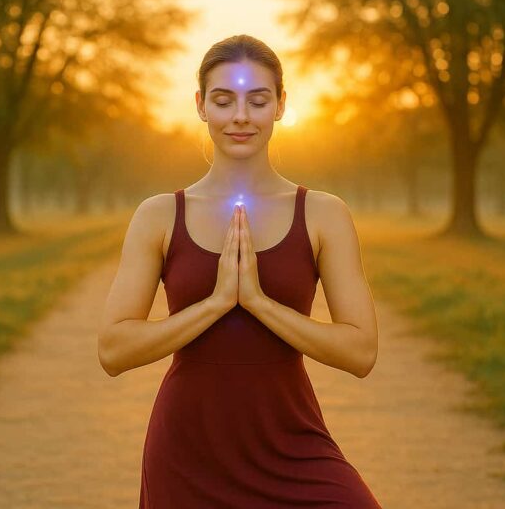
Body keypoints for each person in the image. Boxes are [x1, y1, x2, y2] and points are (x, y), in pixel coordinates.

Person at [98, 34, 381, 508]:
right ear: (201, 106)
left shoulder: (323, 214)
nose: (241, 116)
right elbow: (113, 349)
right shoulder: (160, 215)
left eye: (257, 99)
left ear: (281, 106)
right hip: (187, 450)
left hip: (291, 439)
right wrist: (215, 303)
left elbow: (361, 351)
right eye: (224, 100)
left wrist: (258, 302)